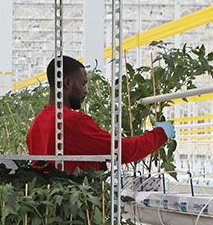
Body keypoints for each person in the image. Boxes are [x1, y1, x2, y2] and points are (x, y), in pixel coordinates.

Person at [26, 56, 174, 172]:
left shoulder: (37, 124)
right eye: (83, 84)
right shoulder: (72, 122)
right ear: (68, 82)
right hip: (77, 208)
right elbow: (123, 151)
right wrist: (160, 134)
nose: (86, 91)